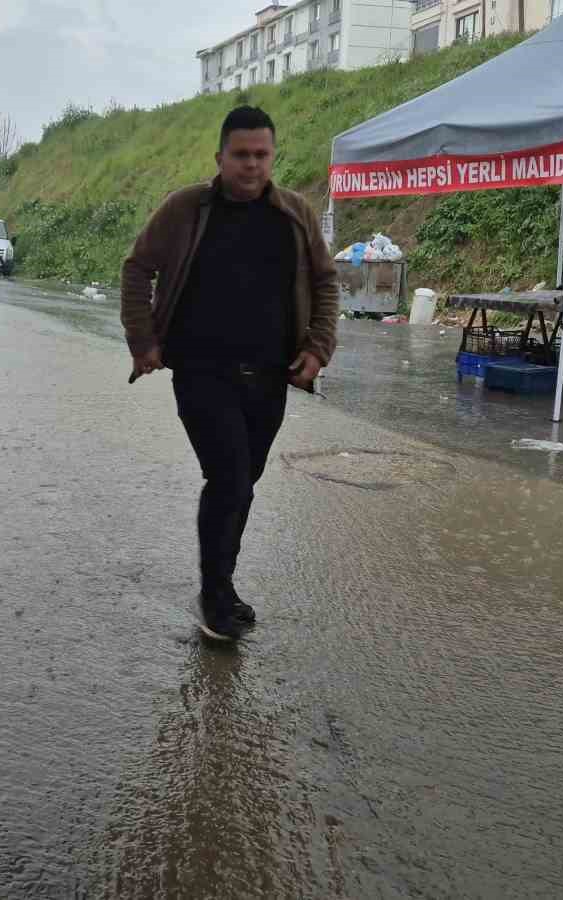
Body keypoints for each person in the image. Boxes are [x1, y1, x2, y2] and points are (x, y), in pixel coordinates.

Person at [119, 106, 339, 641]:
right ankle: (215, 596)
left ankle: (222, 583)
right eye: (240, 155)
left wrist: (318, 347)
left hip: (269, 375)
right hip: (201, 370)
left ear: (272, 156)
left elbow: (326, 281)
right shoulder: (186, 209)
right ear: (219, 157)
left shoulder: (296, 214)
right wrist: (143, 340)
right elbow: (137, 267)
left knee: (244, 483)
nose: (251, 165)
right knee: (230, 478)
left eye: (261, 155)